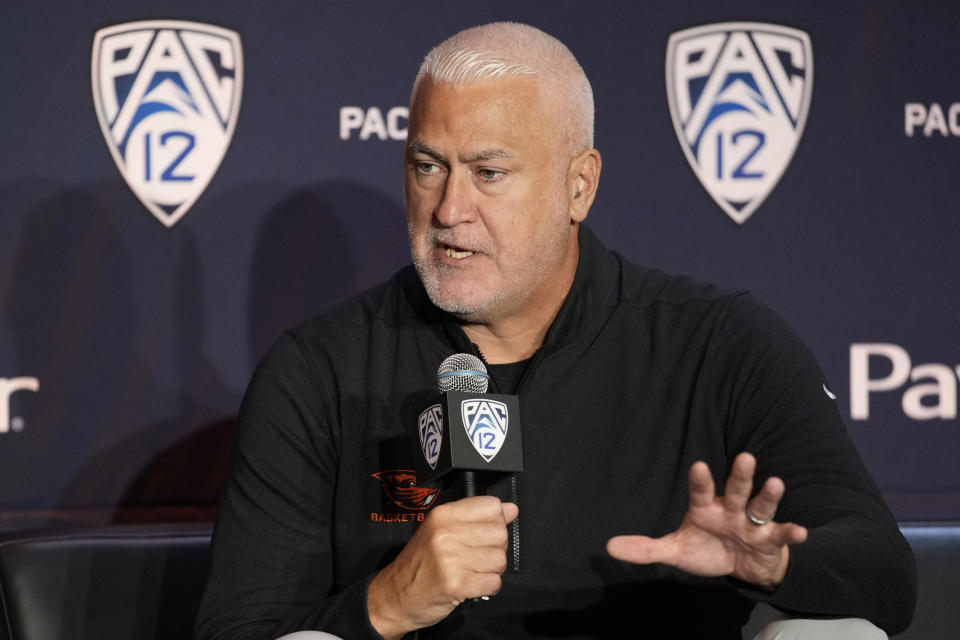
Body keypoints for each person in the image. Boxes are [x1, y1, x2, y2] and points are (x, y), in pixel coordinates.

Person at [194, 22, 916, 640]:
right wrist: (385, 604)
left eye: (488, 171)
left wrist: (776, 564)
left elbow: (884, 574)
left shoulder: (719, 344)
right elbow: (244, 627)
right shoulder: (318, 369)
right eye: (427, 166)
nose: (449, 209)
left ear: (580, 185)